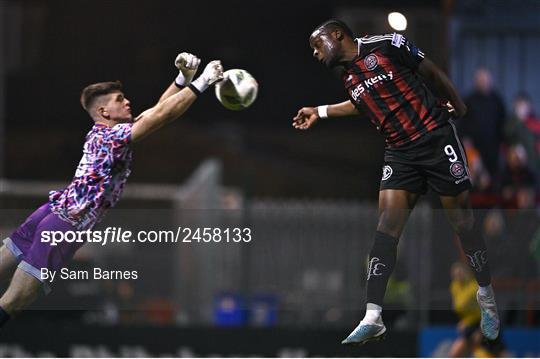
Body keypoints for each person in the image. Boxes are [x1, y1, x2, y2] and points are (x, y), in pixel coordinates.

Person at [292, 19, 500, 346]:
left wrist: (458, 105)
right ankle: (373, 315)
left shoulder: (387, 45)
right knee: (387, 226)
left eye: (317, 45)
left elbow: (430, 70)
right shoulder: (347, 77)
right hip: (400, 153)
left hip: (434, 137)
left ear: (337, 35)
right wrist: (321, 111)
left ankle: (486, 296)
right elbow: (362, 103)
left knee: (463, 223)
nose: (316, 54)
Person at [0, 52, 224, 327]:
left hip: (51, 211)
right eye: (120, 100)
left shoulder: (104, 134)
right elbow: (160, 117)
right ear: (104, 112)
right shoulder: (110, 137)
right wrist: (201, 83)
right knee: (15, 301)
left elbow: (154, 113)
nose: (127, 101)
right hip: (65, 224)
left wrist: (181, 79)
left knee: (5, 263)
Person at [459, 68, 506, 186]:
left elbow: (503, 122)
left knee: (493, 177)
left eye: (485, 80)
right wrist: (465, 138)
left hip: (493, 147)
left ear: (490, 81)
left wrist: (502, 142)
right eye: (480, 80)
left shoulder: (497, 100)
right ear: (476, 82)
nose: (483, 82)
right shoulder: (469, 100)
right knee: (475, 177)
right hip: (474, 147)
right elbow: (461, 121)